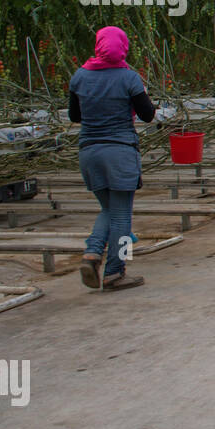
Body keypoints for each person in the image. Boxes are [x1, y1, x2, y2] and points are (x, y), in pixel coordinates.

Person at [68, 25, 156, 290]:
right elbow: (147, 114)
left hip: (89, 152)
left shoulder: (80, 76)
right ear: (123, 46)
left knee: (108, 209)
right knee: (121, 216)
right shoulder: (128, 78)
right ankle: (115, 272)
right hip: (120, 153)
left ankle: (92, 254)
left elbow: (74, 116)